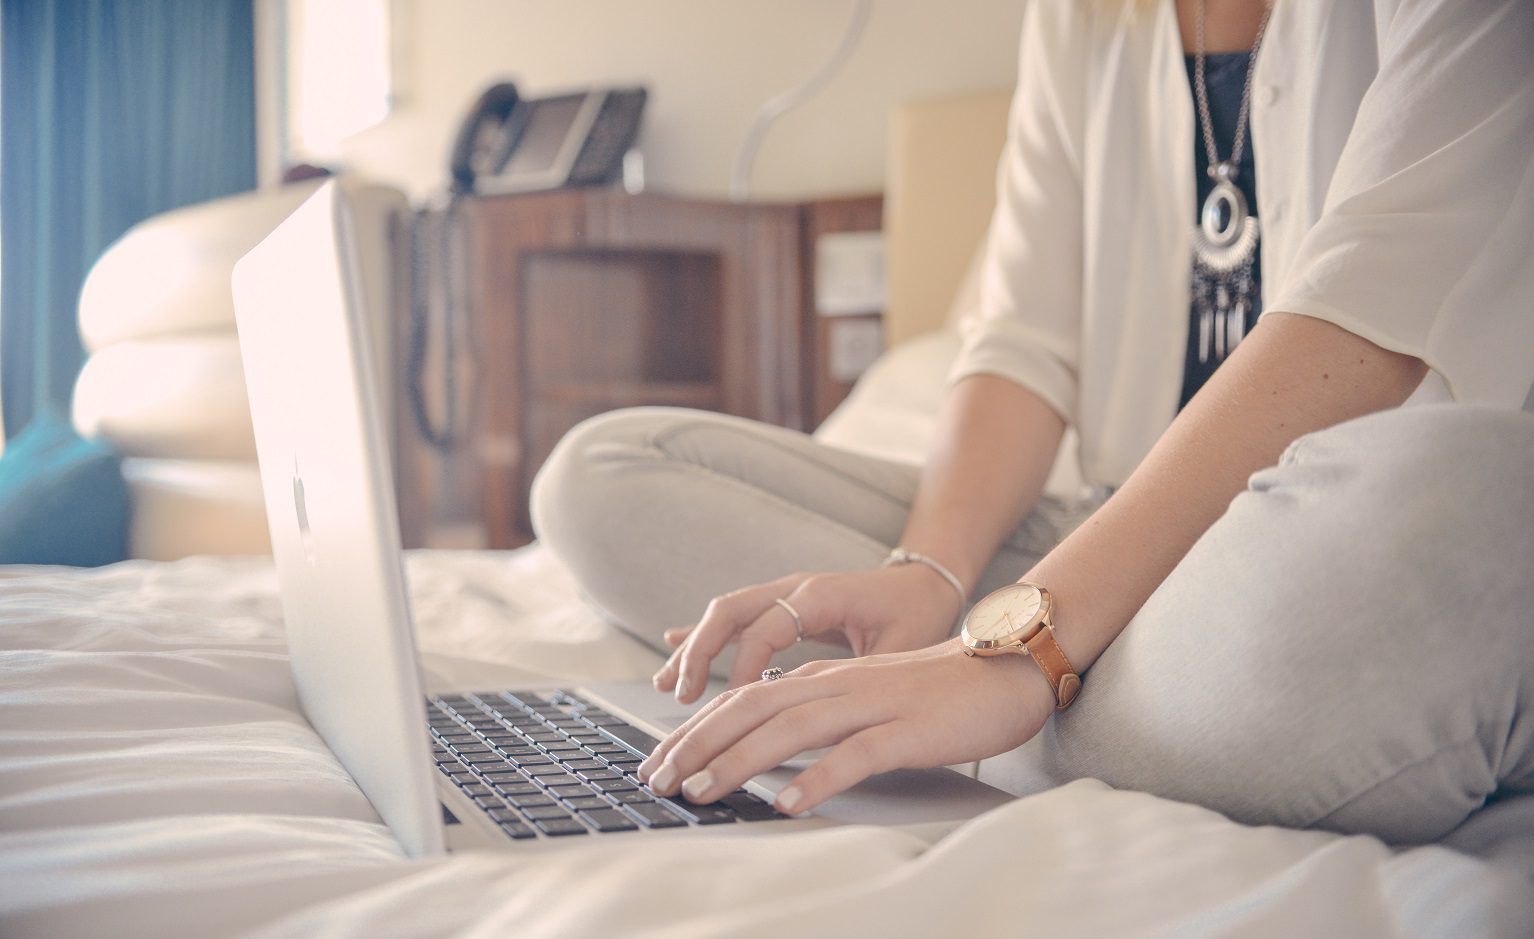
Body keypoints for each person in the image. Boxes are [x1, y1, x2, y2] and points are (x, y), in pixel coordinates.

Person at [532, 0, 1534, 846]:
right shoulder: (1079, 12)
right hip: (1101, 535)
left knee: (1479, 498)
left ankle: (996, 696)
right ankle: (1020, 694)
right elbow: (1020, 339)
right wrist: (925, 574)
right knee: (608, 472)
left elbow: (1368, 310)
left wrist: (1022, 649)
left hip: (1319, 549)